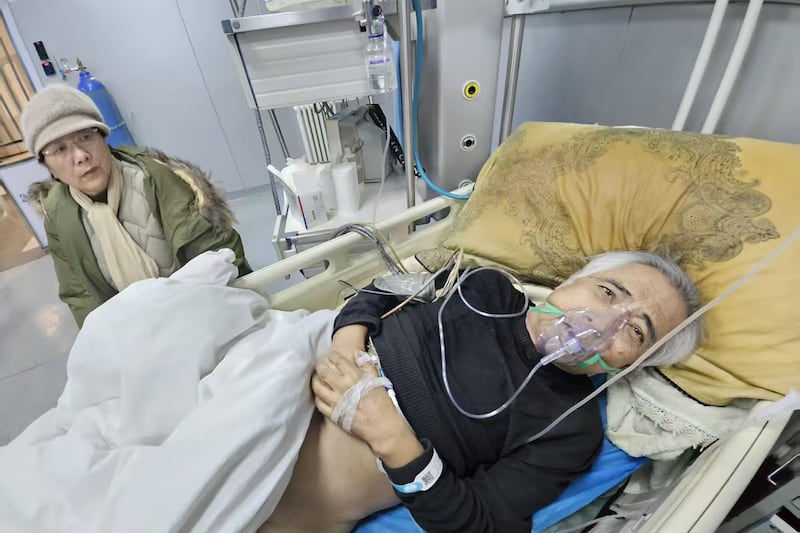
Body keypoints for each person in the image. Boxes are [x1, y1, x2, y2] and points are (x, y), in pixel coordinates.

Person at [262, 251, 703, 533]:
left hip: (292, 510)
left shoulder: (570, 429)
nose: (603, 322)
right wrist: (346, 348)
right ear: (571, 281)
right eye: (606, 292)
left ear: (635, 363)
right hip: (276, 384)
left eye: (636, 331)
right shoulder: (485, 287)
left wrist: (391, 438)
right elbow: (379, 291)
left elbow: (480, 524)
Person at [21, 84, 251, 326]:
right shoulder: (58, 215)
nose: (80, 156)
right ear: (47, 165)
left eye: (86, 137)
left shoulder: (154, 178)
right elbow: (79, 294)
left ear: (103, 137)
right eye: (60, 149)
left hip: (208, 311)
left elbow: (216, 251)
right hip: (136, 332)